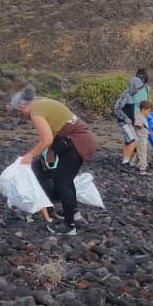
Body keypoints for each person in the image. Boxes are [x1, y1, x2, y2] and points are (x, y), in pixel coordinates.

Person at [10, 85, 96, 236]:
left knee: (62, 182)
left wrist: (29, 155)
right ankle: (72, 213)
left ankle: (70, 226)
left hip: (76, 142)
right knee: (64, 180)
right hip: (80, 139)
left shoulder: (36, 112)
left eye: (19, 111)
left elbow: (46, 139)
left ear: (22, 106)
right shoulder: (42, 101)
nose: (21, 114)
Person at [115, 69, 151, 173]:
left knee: (132, 140)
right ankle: (126, 162)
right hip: (126, 121)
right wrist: (126, 118)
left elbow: (144, 104)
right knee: (132, 140)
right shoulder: (127, 93)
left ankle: (130, 162)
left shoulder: (145, 90)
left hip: (136, 119)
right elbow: (117, 108)